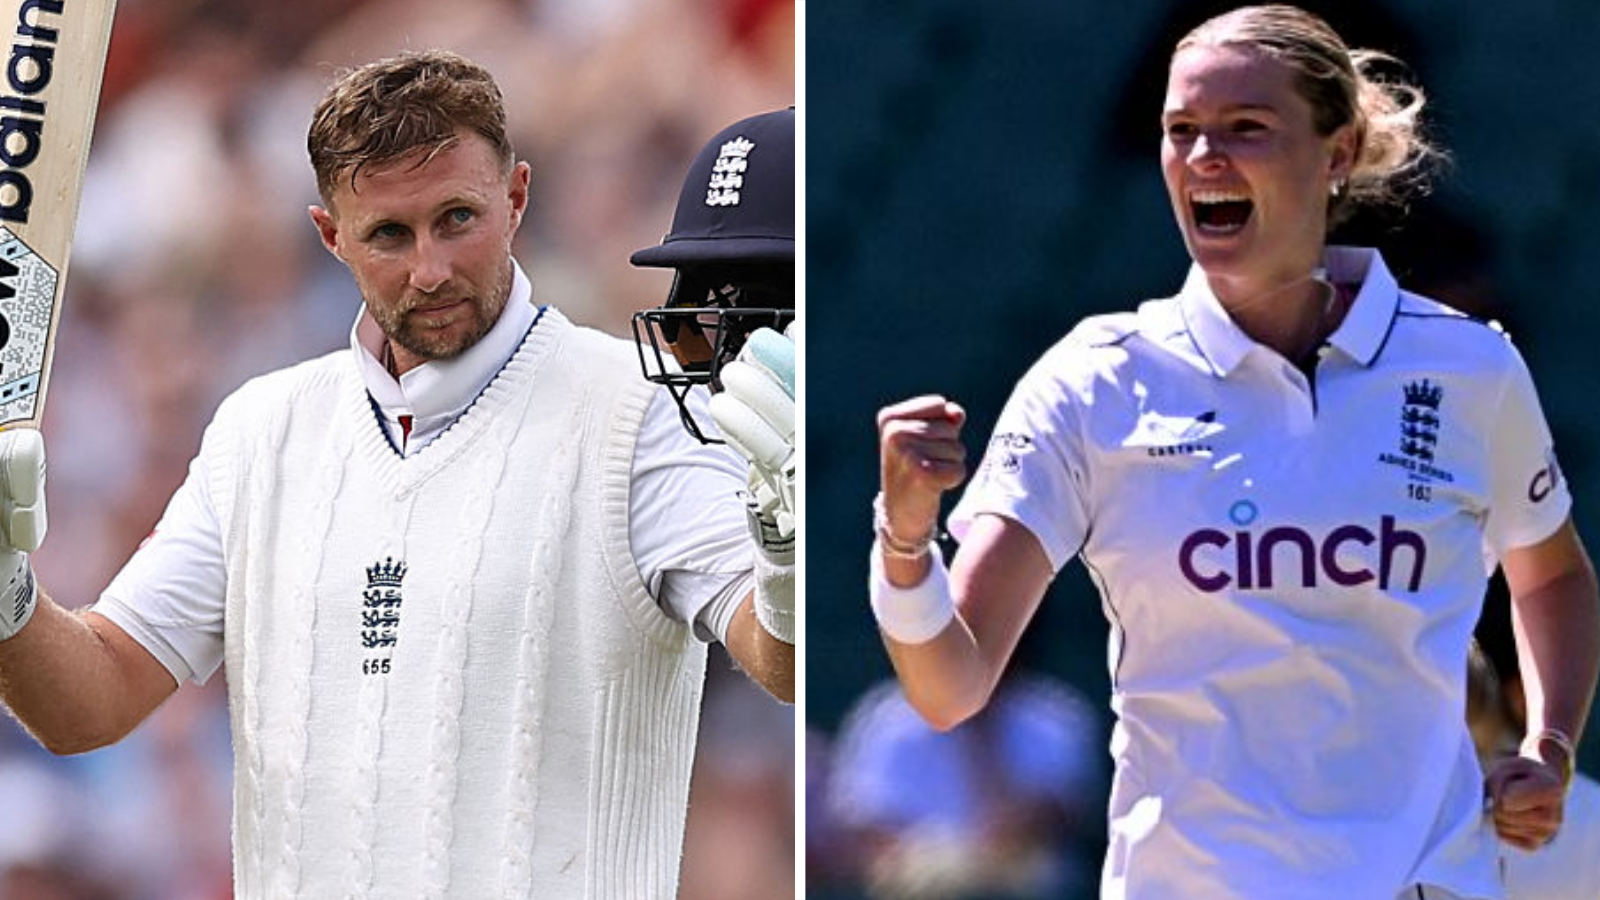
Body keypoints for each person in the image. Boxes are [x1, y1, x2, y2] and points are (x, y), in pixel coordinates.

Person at [0, 50, 795, 898]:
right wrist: (8, 585)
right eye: (389, 233)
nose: (430, 270)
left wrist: (787, 553)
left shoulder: (636, 415)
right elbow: (87, 704)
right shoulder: (261, 433)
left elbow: (779, 659)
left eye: (458, 218)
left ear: (517, 197)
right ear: (330, 234)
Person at [872, 6, 1600, 899]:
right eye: (1182, 132)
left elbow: (1552, 573)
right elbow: (951, 686)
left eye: (1245, 129)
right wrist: (905, 544)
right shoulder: (1093, 382)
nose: (1204, 157)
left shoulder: (1468, 368)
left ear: (1336, 153)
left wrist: (1550, 747)